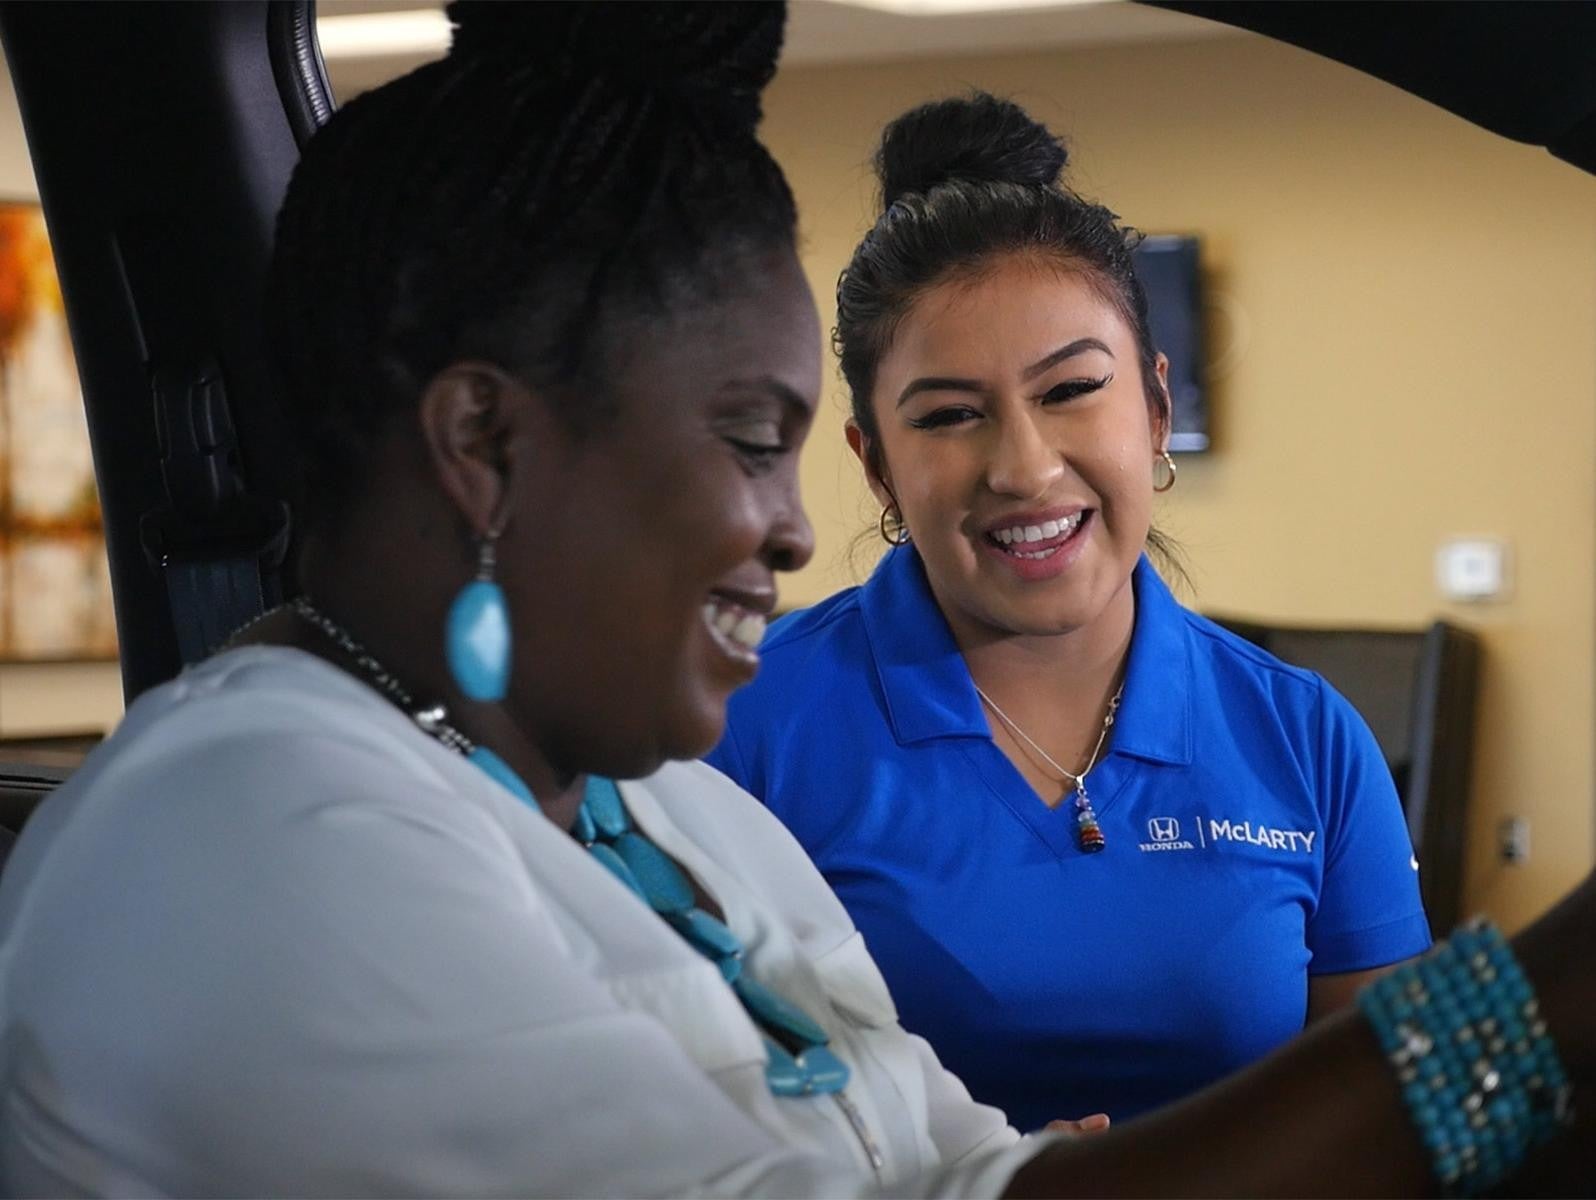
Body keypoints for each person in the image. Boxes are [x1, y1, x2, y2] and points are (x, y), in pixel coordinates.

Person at [0, 5, 1589, 1197]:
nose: (793, 537)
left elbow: (974, 1176)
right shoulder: (260, 838)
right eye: (756, 445)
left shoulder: (672, 814)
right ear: (485, 445)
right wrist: (1550, 1002)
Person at [707, 92, 1433, 1129]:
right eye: (952, 415)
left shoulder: (1306, 737)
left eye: (1070, 391)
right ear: (875, 466)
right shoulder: (745, 726)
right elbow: (669, 1121)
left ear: (1156, 411)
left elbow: (1394, 1123)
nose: (1025, 467)